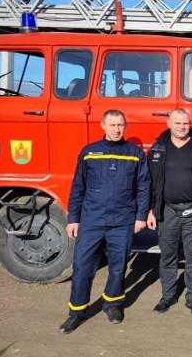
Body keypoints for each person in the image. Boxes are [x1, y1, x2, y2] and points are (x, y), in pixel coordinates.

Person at [58, 109, 150, 334]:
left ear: (125, 126)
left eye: (120, 125)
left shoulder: (135, 154)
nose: (117, 129)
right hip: (92, 220)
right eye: (112, 125)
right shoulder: (89, 153)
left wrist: (140, 216)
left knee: (118, 268)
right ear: (103, 126)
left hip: (122, 221)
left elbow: (144, 187)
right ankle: (77, 312)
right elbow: (78, 187)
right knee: (82, 267)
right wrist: (73, 219)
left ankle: (113, 304)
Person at [147, 108, 192, 316]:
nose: (182, 127)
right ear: (169, 124)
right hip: (167, 212)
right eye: (177, 123)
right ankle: (167, 297)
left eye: (185, 123)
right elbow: (151, 183)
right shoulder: (158, 149)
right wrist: (150, 210)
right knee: (167, 257)